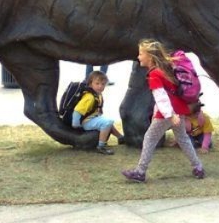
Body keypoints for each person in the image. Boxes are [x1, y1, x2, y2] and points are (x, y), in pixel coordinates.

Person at [122, 39, 205, 182]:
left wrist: (169, 115)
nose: (138, 57)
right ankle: (198, 167)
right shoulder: (164, 70)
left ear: (150, 57)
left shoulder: (154, 74)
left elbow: (161, 97)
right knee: (183, 139)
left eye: (141, 54)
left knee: (149, 138)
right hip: (179, 110)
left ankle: (140, 172)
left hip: (168, 113)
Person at [71, 70, 124, 155]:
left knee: (107, 122)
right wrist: (76, 125)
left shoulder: (97, 94)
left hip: (92, 118)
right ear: (90, 83)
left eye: (103, 84)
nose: (100, 86)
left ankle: (120, 137)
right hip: (86, 122)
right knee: (107, 123)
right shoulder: (89, 97)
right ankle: (101, 146)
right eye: (97, 83)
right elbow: (77, 110)